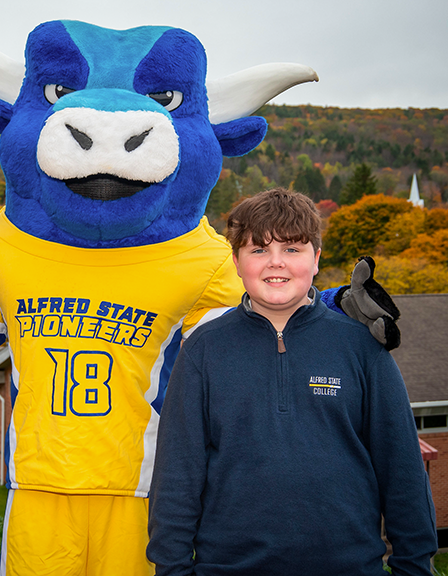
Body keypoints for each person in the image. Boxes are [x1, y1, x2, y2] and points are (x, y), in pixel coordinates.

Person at [146, 188, 437, 576]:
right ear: (236, 261)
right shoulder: (204, 349)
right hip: (228, 568)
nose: (275, 263)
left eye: (293, 250)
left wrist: (414, 566)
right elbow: (176, 475)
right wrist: (172, 568)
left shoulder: (361, 346)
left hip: (350, 567)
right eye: (258, 250)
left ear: (317, 259)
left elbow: (401, 468)